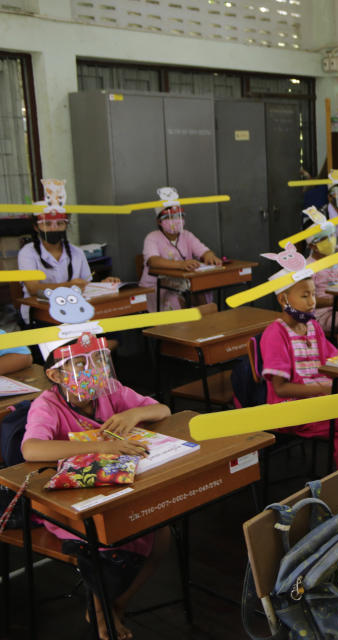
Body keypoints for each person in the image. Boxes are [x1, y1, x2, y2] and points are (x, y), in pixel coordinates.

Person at [20, 333, 172, 640]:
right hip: (72, 504)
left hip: (118, 492)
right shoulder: (47, 404)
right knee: (111, 540)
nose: (94, 370)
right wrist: (102, 449)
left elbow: (163, 410)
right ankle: (103, 611)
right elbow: (31, 449)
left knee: (163, 537)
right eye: (79, 364)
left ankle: (114, 605)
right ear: (55, 374)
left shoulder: (110, 390)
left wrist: (135, 412)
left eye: (100, 360)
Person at [259, 273, 338, 485]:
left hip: (317, 400)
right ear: (283, 300)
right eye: (305, 296)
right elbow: (280, 388)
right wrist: (323, 388)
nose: (312, 302)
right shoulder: (274, 334)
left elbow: (332, 362)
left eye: (313, 295)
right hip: (289, 409)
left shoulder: (313, 327)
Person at [17, 206, 118, 324]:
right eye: (47, 224)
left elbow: (85, 285)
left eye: (60, 223)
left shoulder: (77, 252)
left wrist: (103, 285)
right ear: (36, 227)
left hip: (75, 309)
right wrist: (69, 286)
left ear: (66, 225)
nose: (54, 229)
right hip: (40, 313)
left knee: (112, 333)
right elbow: (33, 289)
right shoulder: (27, 253)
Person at [139, 192, 222, 312]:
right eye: (169, 217)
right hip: (157, 287)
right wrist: (181, 265)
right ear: (159, 221)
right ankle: (189, 327)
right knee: (176, 298)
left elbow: (204, 251)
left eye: (179, 216)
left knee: (200, 290)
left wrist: (210, 256)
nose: (175, 220)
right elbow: (153, 261)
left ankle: (206, 324)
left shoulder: (187, 235)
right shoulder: (152, 237)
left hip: (183, 283)